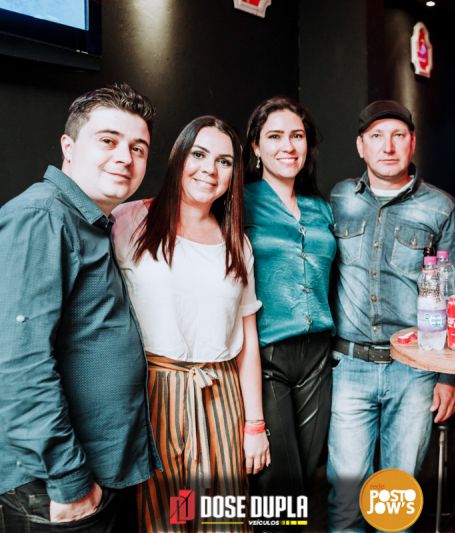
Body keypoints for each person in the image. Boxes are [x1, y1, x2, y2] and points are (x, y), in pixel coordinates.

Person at [0, 83, 161, 531]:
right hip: (56, 487)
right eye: (108, 140)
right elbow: (18, 365)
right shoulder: (42, 216)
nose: (125, 157)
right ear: (68, 147)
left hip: (98, 473)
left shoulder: (89, 222)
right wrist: (70, 482)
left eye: (138, 148)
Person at [111, 116, 268, 532]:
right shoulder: (129, 220)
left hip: (221, 395)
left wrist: (255, 425)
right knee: (168, 518)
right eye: (198, 155)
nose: (209, 170)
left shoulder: (237, 243)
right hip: (155, 394)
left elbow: (247, 339)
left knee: (220, 519)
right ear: (179, 158)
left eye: (224, 161)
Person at [327, 100, 455, 531]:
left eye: (398, 136)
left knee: (396, 505)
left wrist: (450, 376)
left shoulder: (441, 208)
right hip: (349, 366)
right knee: (346, 502)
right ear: (361, 146)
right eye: (376, 136)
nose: (387, 146)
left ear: (412, 143)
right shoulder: (339, 199)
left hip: (414, 370)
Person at [243, 97, 336, 507]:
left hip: (318, 355)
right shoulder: (238, 201)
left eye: (297, 136)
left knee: (307, 476)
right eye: (275, 136)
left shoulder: (320, 209)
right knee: (278, 484)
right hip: (267, 355)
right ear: (256, 147)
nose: (288, 146)